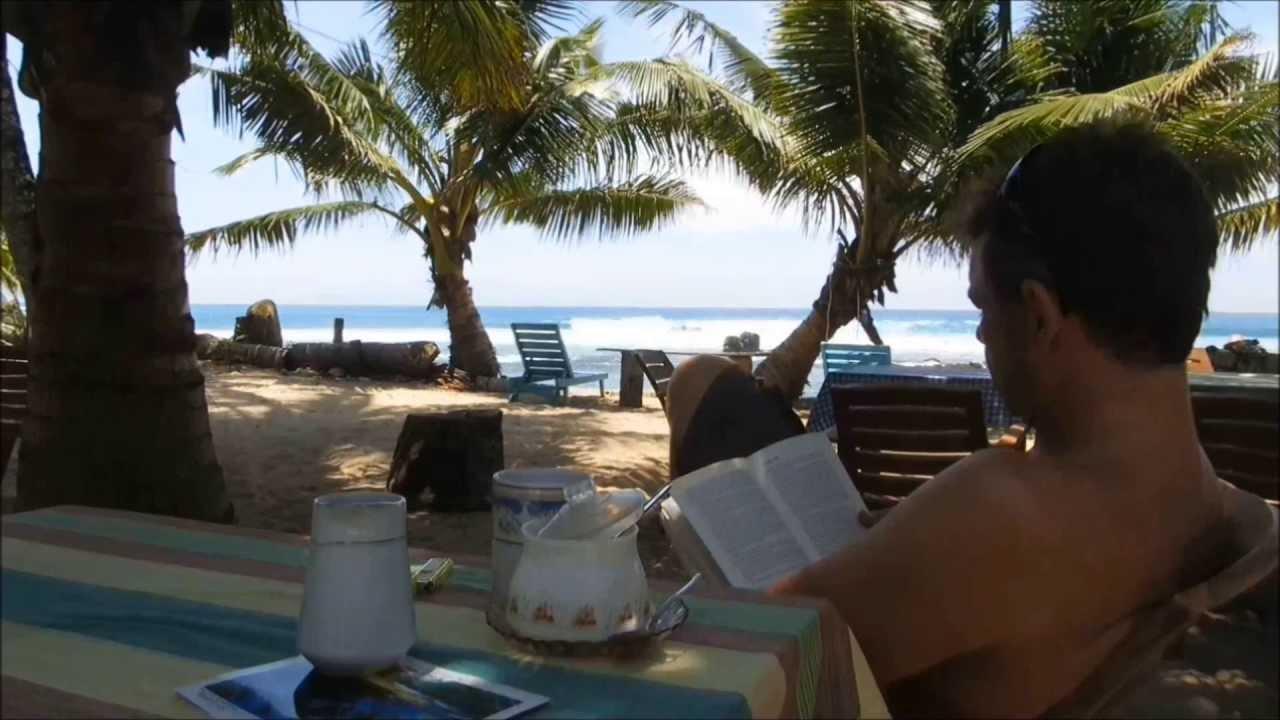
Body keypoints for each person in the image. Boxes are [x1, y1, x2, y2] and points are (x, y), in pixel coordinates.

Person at [665, 122, 1258, 716]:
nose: (979, 334)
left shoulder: (1002, 514)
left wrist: (939, 532)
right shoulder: (1216, 500)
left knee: (703, 389)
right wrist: (916, 538)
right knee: (715, 389)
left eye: (981, 307)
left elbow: (749, 657)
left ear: (1039, 315)